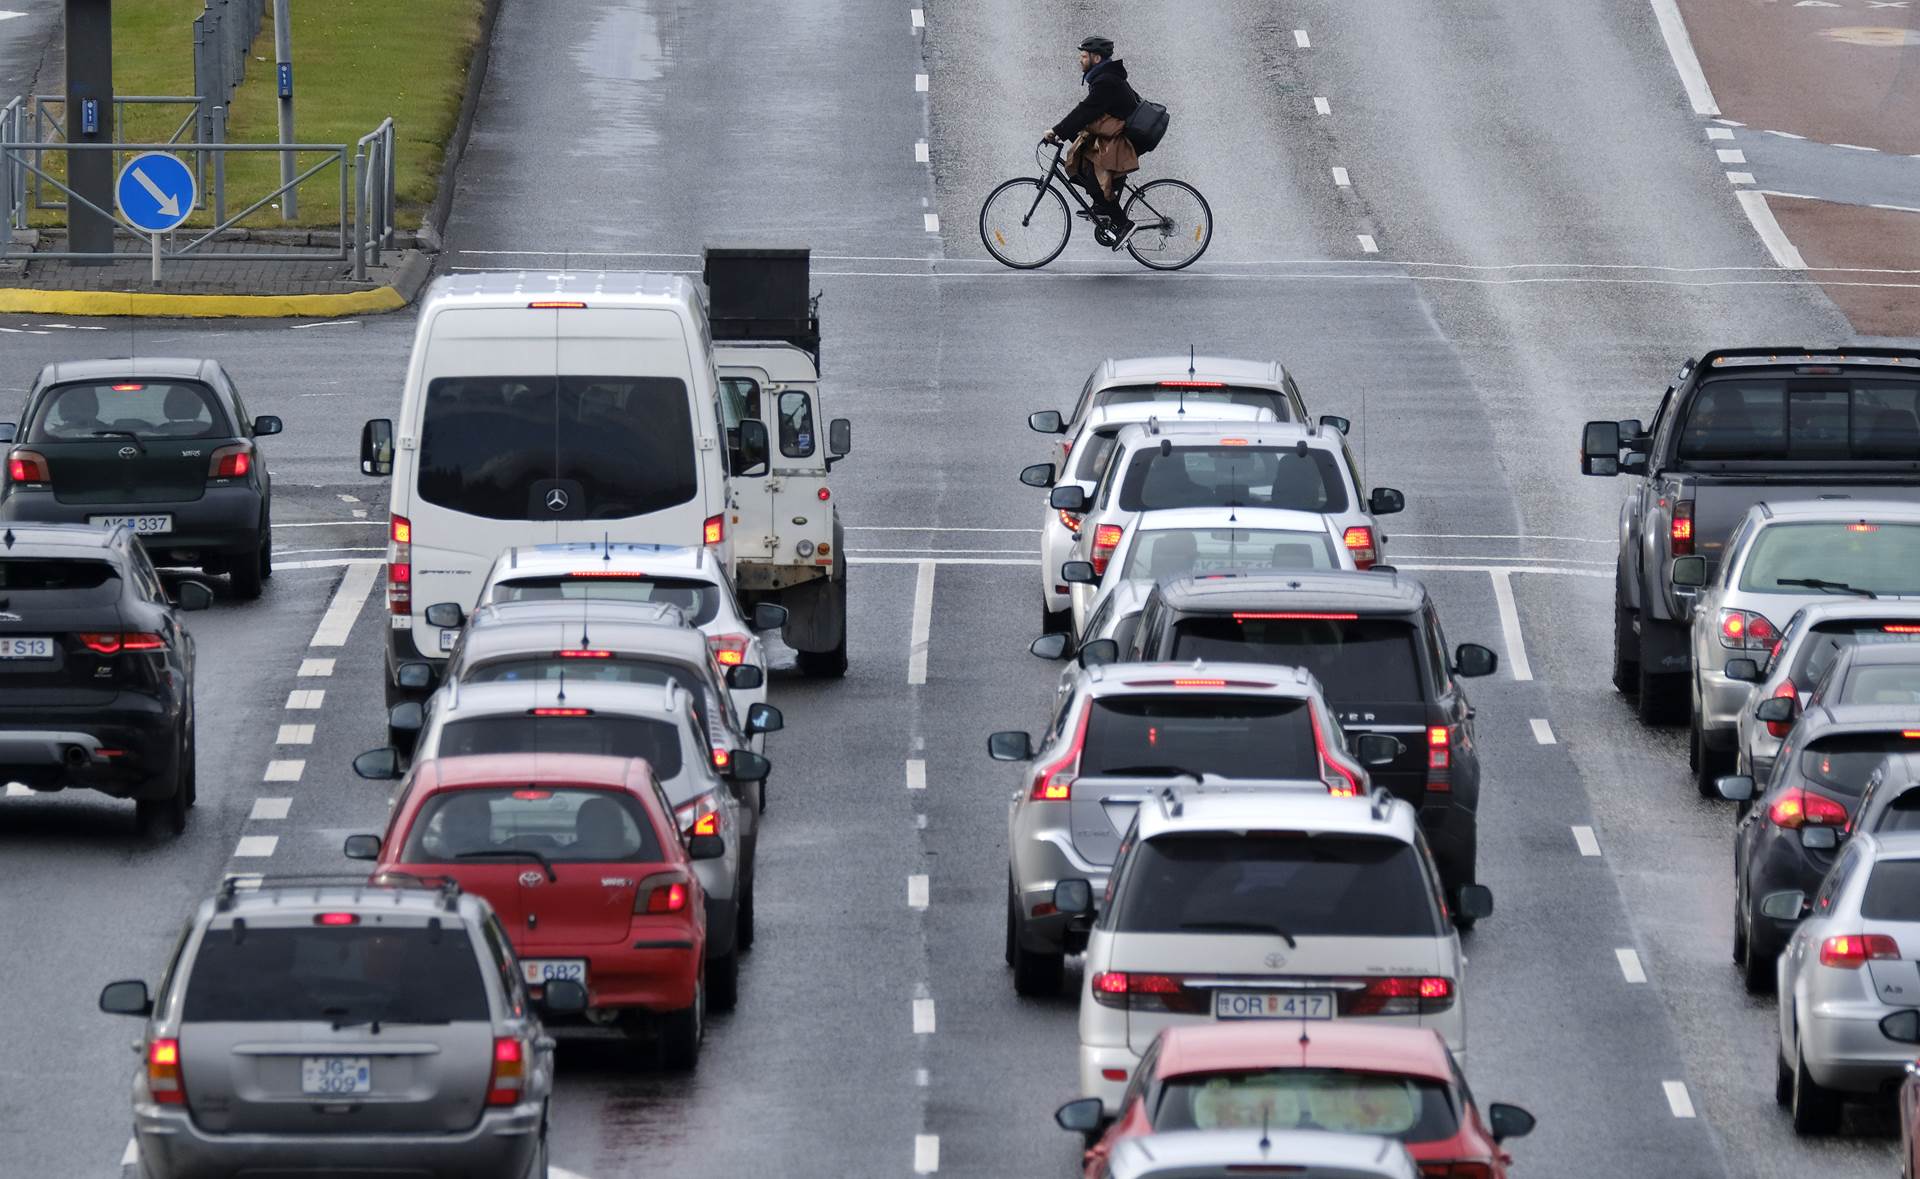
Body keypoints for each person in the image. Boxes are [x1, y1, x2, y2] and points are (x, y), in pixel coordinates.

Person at [1043, 36, 1141, 245]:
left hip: (1123, 140)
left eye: (1084, 56)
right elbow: (1090, 113)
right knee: (1080, 164)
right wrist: (1064, 131)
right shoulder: (1105, 76)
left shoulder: (1106, 81)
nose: (1080, 60)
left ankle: (1124, 224)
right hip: (1115, 136)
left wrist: (1057, 130)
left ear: (1096, 58)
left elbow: (1086, 111)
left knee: (1096, 179)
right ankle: (1102, 208)